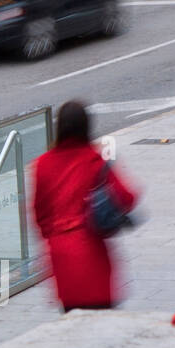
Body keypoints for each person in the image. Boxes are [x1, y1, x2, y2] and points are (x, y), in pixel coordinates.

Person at [30, 101, 139, 312]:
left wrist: (53, 236)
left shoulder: (42, 164)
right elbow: (128, 196)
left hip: (60, 255)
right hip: (92, 252)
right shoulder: (94, 159)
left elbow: (39, 213)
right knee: (103, 324)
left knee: (72, 323)